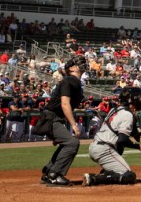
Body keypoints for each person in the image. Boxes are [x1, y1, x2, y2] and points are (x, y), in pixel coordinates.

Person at [84, 87, 141, 186]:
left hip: (95, 146)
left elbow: (122, 130)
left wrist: (139, 131)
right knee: (128, 176)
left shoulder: (114, 109)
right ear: (131, 100)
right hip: (105, 149)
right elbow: (122, 140)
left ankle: (107, 173)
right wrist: (139, 146)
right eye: (137, 98)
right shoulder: (127, 114)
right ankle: (94, 178)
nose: (139, 100)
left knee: (120, 149)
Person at [40, 57, 87, 186]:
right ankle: (54, 175)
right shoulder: (70, 80)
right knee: (72, 143)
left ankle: (49, 171)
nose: (82, 65)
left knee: (66, 143)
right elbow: (65, 104)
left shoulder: (76, 82)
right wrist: (73, 125)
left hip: (54, 118)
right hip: (51, 117)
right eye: (78, 64)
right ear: (71, 68)